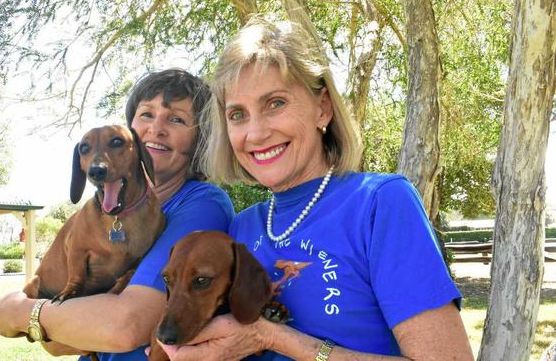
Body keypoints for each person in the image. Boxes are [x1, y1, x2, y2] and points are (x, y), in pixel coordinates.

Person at [158, 18, 474, 360]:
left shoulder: (379, 203)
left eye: (275, 103)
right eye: (237, 115)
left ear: (322, 108)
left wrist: (275, 338)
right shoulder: (241, 228)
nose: (256, 132)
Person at [0, 68, 235, 361]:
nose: (156, 129)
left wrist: (22, 313)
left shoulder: (202, 207)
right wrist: (63, 325)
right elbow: (57, 344)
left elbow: (124, 327)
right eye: (146, 114)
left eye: (176, 119)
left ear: (200, 139)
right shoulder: (108, 209)